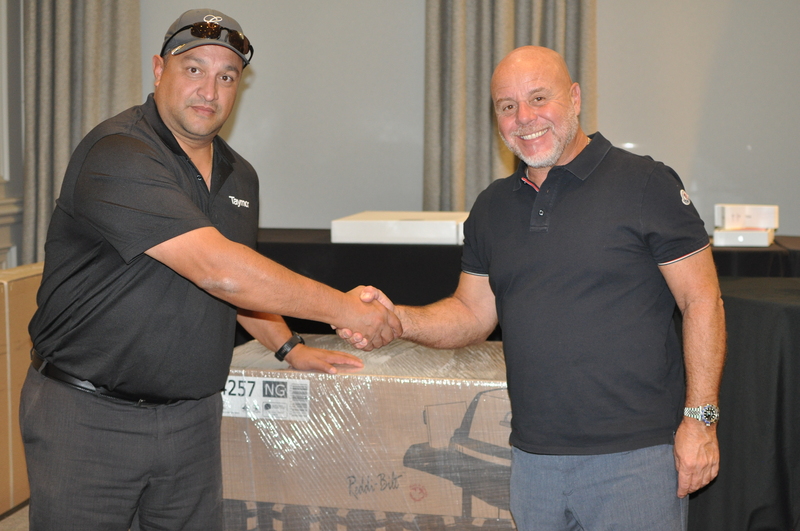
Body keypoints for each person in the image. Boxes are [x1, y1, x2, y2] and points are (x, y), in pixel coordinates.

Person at [22, 9, 400, 531]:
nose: (209, 90)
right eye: (194, 69)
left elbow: (239, 287)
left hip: (191, 420)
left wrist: (289, 347)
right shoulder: (120, 153)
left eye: (226, 76)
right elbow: (219, 270)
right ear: (159, 70)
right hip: (89, 417)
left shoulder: (240, 176)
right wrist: (345, 309)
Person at [341, 46, 725, 530]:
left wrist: (700, 421)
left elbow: (702, 300)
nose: (524, 117)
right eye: (507, 106)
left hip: (635, 460)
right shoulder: (492, 207)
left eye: (539, 98)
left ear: (575, 98)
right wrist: (397, 320)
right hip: (533, 462)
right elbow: (471, 314)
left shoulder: (646, 183)